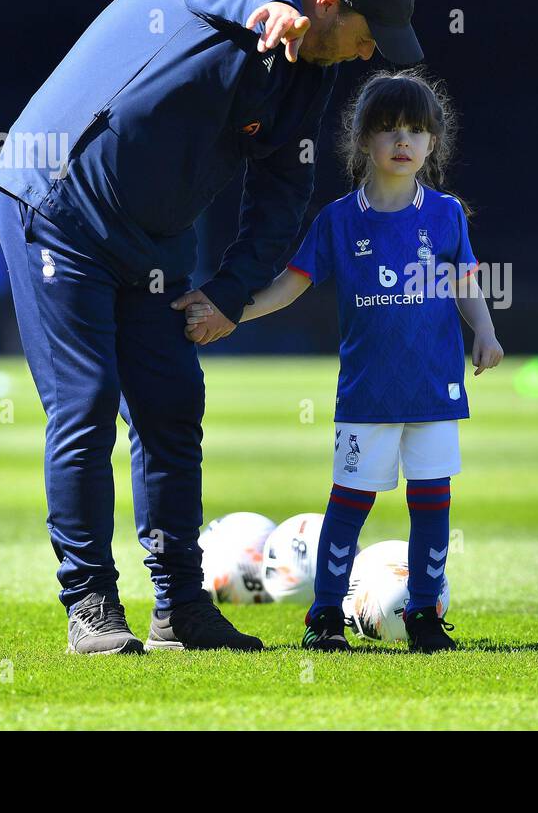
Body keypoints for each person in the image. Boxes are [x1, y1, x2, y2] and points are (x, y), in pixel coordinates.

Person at [0, 0, 422, 655]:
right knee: (86, 401)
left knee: (172, 402)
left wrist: (229, 291)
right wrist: (271, 7)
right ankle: (90, 603)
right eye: (367, 34)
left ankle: (180, 608)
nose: (370, 53)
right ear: (324, 0)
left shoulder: (309, 74)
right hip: (58, 207)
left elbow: (284, 189)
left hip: (152, 242)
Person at [212, 70, 503, 653]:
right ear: (362, 139)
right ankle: (324, 616)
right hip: (368, 391)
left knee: (432, 503)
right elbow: (291, 285)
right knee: (348, 504)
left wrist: (487, 333)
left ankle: (424, 613)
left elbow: (465, 281)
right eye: (390, 128)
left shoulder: (445, 215)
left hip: (433, 388)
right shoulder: (339, 220)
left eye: (417, 131)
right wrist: (232, 312)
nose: (404, 140)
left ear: (432, 143)